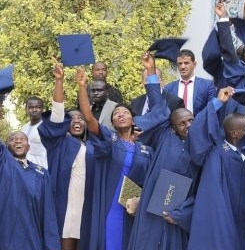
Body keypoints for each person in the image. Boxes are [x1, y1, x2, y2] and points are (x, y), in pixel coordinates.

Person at [0, 75, 59, 250]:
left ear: (29, 145)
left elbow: (48, 216)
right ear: (5, 146)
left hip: (30, 236)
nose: (18, 141)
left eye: (22, 139)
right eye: (12, 139)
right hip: (3, 233)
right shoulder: (2, 163)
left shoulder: (41, 173)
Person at [127, 52, 199, 250]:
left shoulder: (200, 149)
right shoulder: (165, 137)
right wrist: (151, 70)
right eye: (182, 123)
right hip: (152, 207)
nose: (187, 126)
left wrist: (181, 214)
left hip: (175, 215)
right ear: (172, 127)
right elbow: (158, 105)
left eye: (190, 121)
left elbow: (200, 188)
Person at [77, 67, 152, 250]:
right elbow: (88, 117)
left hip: (134, 207)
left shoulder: (146, 150)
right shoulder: (109, 140)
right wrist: (81, 86)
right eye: (117, 114)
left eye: (125, 113)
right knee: (111, 241)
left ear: (133, 120)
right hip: (111, 203)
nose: (121, 115)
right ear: (112, 123)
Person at [185, 87, 245, 250]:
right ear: (234, 133)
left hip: (244, 224)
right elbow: (198, 130)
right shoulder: (215, 153)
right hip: (221, 223)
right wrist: (217, 102)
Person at [38, 63, 90, 250]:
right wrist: (59, 81)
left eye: (80, 119)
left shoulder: (91, 146)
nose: (76, 121)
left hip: (87, 203)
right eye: (72, 119)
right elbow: (58, 115)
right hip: (67, 204)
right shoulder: (58, 143)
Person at [163, 49, 217, 115]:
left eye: (186, 63)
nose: (182, 67)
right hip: (176, 124)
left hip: (200, 124)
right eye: (180, 63)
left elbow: (213, 110)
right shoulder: (168, 88)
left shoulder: (207, 85)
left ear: (194, 64)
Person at [21, 96, 50, 169]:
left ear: (42, 109)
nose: (34, 110)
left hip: (41, 170)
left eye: (38, 107)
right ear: (26, 109)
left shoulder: (47, 127)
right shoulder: (24, 127)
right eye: (31, 107)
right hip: (25, 170)